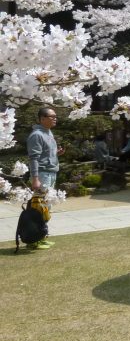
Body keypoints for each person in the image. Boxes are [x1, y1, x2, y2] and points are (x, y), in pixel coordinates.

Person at [26, 107, 61, 250]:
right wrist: (35, 178)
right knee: (38, 208)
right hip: (42, 174)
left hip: (51, 172)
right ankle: (33, 240)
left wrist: (57, 153)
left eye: (55, 116)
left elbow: (45, 155)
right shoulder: (37, 135)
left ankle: (42, 236)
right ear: (42, 119)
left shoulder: (48, 133)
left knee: (46, 207)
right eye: (51, 116)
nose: (55, 118)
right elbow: (33, 158)